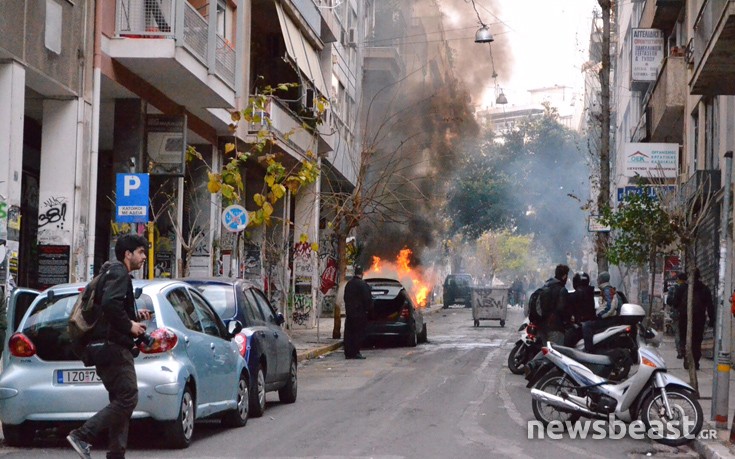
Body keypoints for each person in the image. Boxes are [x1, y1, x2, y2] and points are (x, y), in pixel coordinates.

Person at [67, 234, 151, 459]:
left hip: (103, 346)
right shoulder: (119, 272)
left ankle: (116, 454)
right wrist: (130, 326)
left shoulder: (110, 271)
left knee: (120, 401)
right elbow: (110, 304)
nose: (144, 257)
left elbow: (109, 307)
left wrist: (134, 316)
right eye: (141, 252)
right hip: (112, 347)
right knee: (128, 398)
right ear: (128, 254)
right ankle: (82, 435)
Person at [677, 269, 715, 370]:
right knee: (697, 341)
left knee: (684, 339)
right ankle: (695, 361)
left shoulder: (682, 288)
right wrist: (712, 319)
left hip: (684, 318)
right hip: (699, 319)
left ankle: (687, 357)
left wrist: (680, 310)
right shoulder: (704, 289)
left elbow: (675, 302)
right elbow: (710, 305)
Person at [343, 265, 373, 359]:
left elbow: (345, 298)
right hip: (359, 314)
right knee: (358, 334)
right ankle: (356, 352)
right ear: (362, 274)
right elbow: (367, 299)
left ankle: (348, 353)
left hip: (349, 313)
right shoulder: (363, 285)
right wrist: (368, 310)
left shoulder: (349, 284)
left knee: (348, 334)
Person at [538, 264, 570, 346]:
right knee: (556, 354)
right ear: (564, 276)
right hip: (555, 328)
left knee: (546, 353)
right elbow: (562, 310)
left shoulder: (546, 286)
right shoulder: (562, 290)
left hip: (542, 327)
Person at [562, 272, 596, 347]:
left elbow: (568, 312)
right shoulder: (591, 293)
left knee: (567, 343)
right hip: (592, 325)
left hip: (581, 326)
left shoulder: (574, 296)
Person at [666, 273, 687, 359]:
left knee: (678, 333)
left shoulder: (673, 288)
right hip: (689, 315)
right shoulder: (689, 288)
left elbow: (669, 301)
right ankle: (686, 350)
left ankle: (680, 351)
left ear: (678, 279)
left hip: (677, 314)